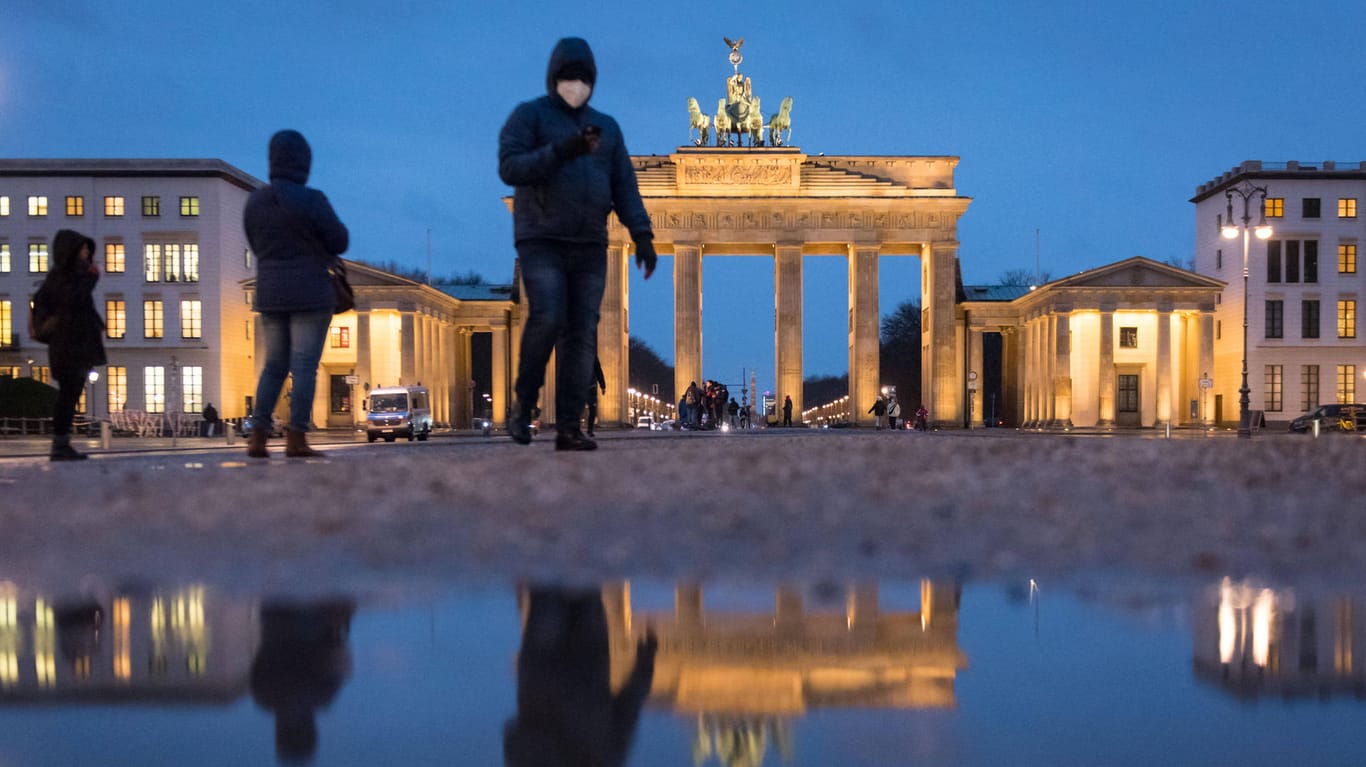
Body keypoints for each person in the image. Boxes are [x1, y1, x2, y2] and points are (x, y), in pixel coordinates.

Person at [499, 37, 656, 452]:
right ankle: (525, 404)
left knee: (582, 332)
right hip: (542, 237)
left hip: (589, 242)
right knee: (547, 316)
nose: (576, 85)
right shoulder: (529, 116)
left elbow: (625, 187)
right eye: (569, 78)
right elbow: (509, 167)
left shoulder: (607, 128)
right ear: (554, 78)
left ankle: (569, 425)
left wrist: (641, 235)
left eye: (583, 79)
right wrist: (560, 151)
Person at [243, 129, 349, 460]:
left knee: (273, 365)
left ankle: (258, 437)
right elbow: (339, 240)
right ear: (304, 162)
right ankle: (297, 438)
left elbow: (255, 243)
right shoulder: (312, 200)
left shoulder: (256, 201)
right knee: (304, 366)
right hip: (311, 292)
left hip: (271, 292)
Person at [505, 585, 656, 767]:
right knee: (584, 584)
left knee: (551, 588)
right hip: (585, 662)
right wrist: (645, 662)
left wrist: (646, 663)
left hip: (548, 665)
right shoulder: (607, 762)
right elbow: (629, 708)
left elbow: (514, 737)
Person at [37, 230, 106, 461]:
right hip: (68, 346)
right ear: (72, 251)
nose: (87, 253)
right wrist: (91, 278)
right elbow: (72, 301)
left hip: (73, 345)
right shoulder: (65, 278)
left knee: (71, 393)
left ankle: (61, 444)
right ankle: (60, 445)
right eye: (83, 249)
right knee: (68, 394)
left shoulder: (62, 277)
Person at [585, 357, 605, 438]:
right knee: (592, 409)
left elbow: (598, 371)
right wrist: (602, 385)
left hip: (585, 386)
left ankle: (589, 429)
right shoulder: (592, 356)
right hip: (589, 386)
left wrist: (602, 385)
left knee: (592, 409)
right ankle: (589, 429)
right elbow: (599, 371)